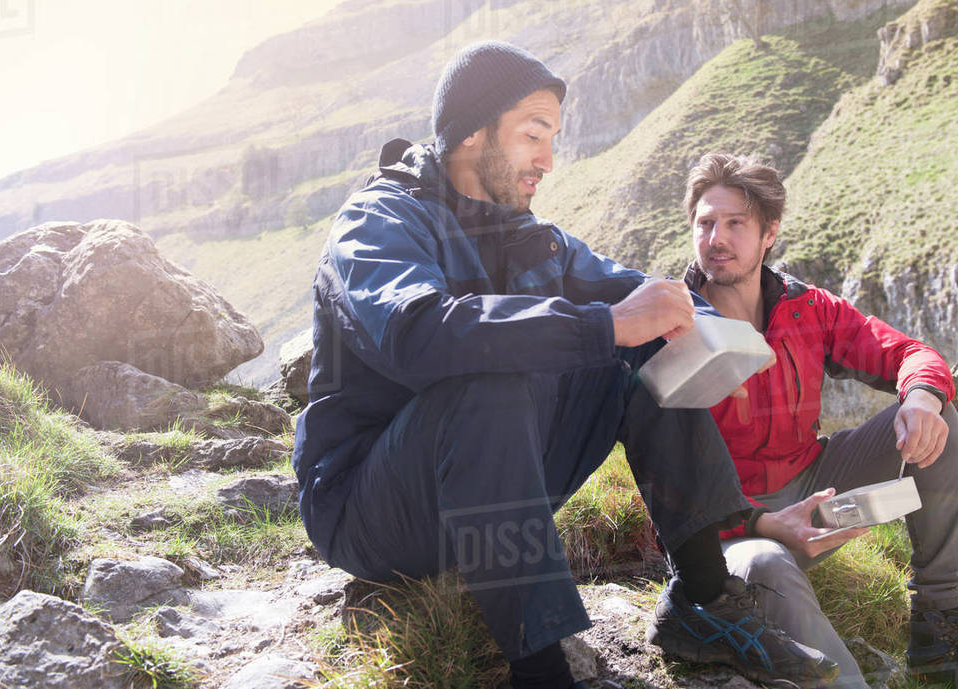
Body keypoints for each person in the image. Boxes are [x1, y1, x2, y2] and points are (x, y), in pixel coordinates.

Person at [293, 42, 838, 689]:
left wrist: (696, 320)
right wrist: (605, 323)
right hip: (368, 509)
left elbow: (634, 297)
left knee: (640, 348)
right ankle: (543, 668)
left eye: (553, 137)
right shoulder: (378, 220)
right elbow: (418, 336)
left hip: (486, 493)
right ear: (473, 131)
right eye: (533, 135)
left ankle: (703, 598)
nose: (548, 160)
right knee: (491, 375)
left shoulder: (531, 237)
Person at [665, 151, 958, 689]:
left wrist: (921, 401)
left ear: (769, 233)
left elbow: (908, 353)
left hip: (813, 493)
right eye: (705, 223)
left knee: (937, 416)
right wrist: (761, 523)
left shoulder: (806, 309)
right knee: (767, 564)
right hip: (729, 530)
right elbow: (666, 480)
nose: (715, 238)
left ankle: (942, 637)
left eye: (734, 223)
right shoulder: (673, 324)